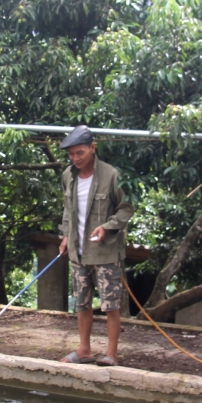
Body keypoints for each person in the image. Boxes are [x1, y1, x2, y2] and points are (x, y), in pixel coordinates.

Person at [56, 125, 134, 367]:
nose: (75, 159)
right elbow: (68, 209)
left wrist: (107, 226)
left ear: (92, 148)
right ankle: (84, 349)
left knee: (111, 304)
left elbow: (126, 208)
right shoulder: (68, 175)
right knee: (82, 302)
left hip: (106, 252)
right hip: (78, 253)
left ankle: (111, 353)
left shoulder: (112, 175)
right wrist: (66, 235)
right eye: (71, 154)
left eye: (80, 153)